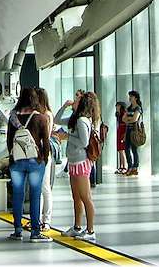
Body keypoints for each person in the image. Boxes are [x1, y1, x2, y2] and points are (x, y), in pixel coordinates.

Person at [6, 87, 53, 243]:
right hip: (35, 162)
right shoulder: (41, 118)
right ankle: (35, 232)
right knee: (34, 196)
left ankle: (18, 230)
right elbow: (46, 143)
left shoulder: (13, 118)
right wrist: (44, 160)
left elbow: (9, 141)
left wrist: (13, 157)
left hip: (17, 162)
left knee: (17, 196)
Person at [55, 90, 100, 240]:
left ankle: (91, 230)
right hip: (74, 161)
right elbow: (57, 119)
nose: (74, 101)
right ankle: (77, 226)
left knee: (85, 197)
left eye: (77, 99)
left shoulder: (81, 121)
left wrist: (67, 137)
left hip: (80, 162)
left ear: (82, 104)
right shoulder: (75, 119)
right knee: (76, 197)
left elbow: (84, 142)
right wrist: (64, 106)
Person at [35, 88, 56, 230]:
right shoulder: (41, 114)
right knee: (39, 187)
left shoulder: (47, 115)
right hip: (38, 152)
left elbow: (45, 135)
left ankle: (46, 219)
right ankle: (38, 218)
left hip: (44, 152)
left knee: (44, 186)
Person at [123, 90, 143, 177]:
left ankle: (135, 167)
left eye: (131, 96)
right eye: (129, 96)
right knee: (126, 149)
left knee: (134, 149)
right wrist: (128, 120)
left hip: (135, 131)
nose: (129, 98)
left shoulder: (138, 108)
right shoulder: (129, 108)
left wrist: (128, 120)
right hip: (128, 131)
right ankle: (129, 166)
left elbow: (135, 119)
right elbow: (123, 119)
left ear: (135, 98)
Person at [115, 102, 128, 175]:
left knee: (122, 150)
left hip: (122, 131)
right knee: (119, 149)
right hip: (119, 130)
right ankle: (121, 166)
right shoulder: (118, 114)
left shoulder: (124, 113)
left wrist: (125, 134)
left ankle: (124, 167)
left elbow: (126, 124)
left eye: (117, 106)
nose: (116, 107)